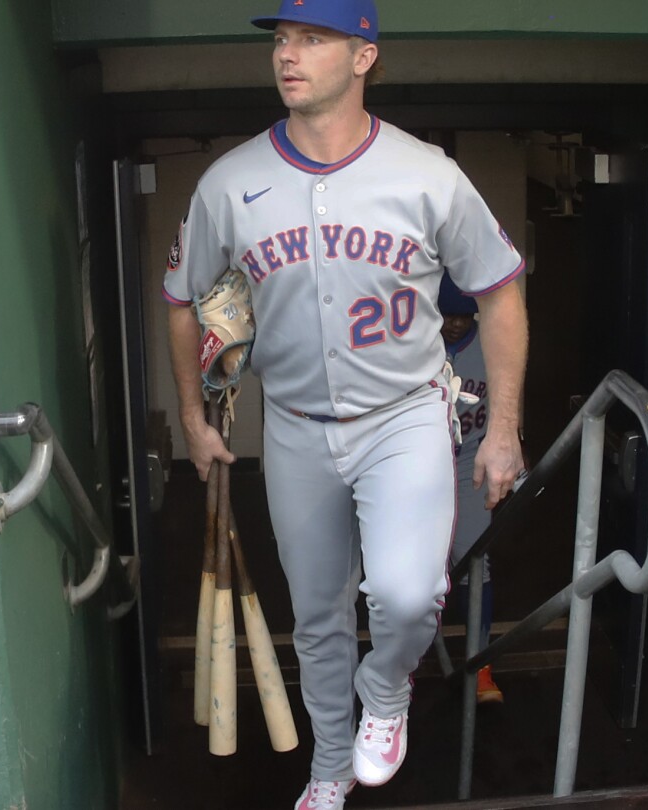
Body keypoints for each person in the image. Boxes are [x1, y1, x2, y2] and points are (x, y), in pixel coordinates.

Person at [163, 1, 529, 807]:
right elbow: (182, 299)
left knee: (406, 594)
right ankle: (329, 768)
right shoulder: (231, 181)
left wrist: (502, 428)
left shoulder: (427, 173)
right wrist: (192, 417)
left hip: (405, 418)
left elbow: (501, 292)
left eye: (312, 39)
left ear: (364, 57)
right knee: (318, 614)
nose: (287, 55)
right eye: (281, 40)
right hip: (294, 427)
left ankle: (386, 690)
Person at [439, 272, 504, 705]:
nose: (458, 323)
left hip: (470, 465)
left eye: (465, 315)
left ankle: (480, 666)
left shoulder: (491, 345)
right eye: (449, 314)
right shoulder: (418, 343)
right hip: (420, 466)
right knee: (413, 568)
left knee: (476, 562)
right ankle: (403, 667)